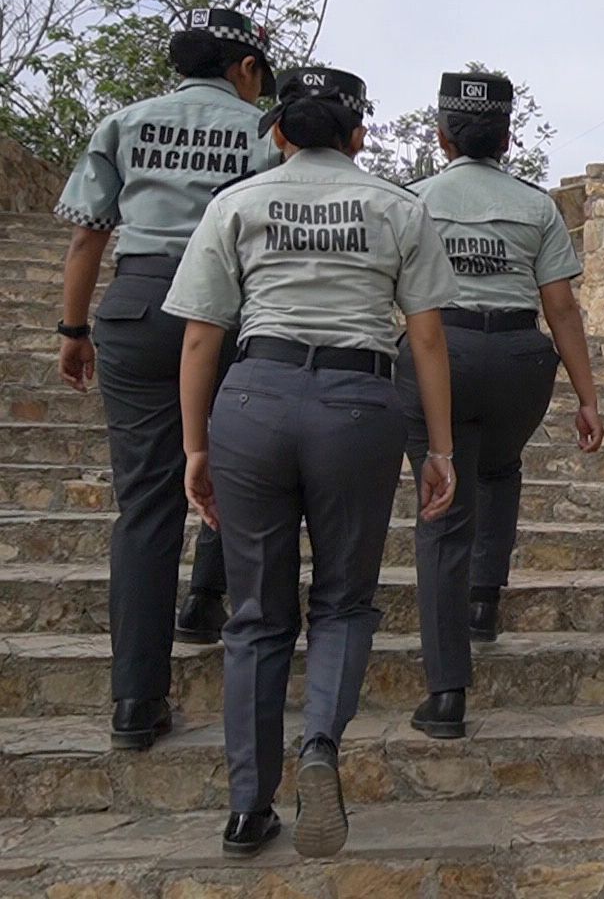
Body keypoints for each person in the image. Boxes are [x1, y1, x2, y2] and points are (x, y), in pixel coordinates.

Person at [166, 67, 459, 858]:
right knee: (341, 601)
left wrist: (195, 448)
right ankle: (321, 746)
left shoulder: (236, 204)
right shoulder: (400, 207)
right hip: (359, 407)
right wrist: (440, 448)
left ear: (281, 132)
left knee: (257, 613)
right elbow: (426, 336)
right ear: (358, 135)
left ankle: (246, 808)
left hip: (253, 400)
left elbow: (200, 336)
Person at [52, 7, 281, 751]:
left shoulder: (125, 122)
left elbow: (90, 233)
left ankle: (134, 703)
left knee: (145, 506)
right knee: (240, 472)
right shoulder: (260, 133)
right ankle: (206, 604)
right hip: (232, 311)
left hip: (138, 305)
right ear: (246, 68)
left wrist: (74, 328)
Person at [399, 72, 603, 740]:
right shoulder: (536, 206)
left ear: (441, 136)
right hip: (520, 359)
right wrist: (587, 396)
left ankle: (447, 691)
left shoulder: (411, 200)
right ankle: (484, 599)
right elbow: (562, 306)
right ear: (508, 138)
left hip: (440, 353)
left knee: (442, 505)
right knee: (500, 466)